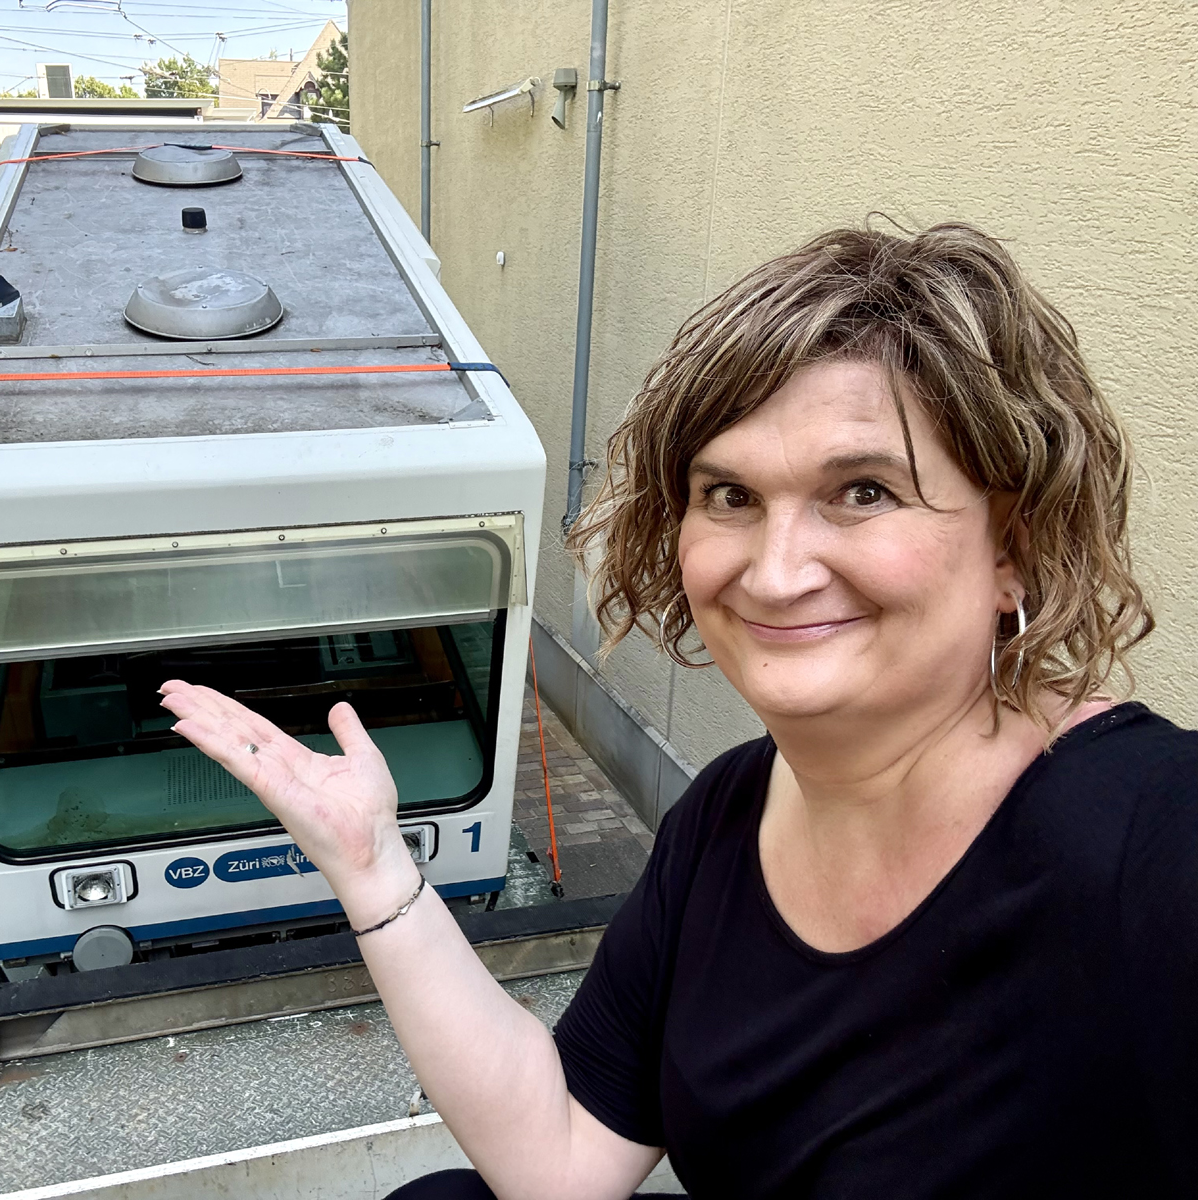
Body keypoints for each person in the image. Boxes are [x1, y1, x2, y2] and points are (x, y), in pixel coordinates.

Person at [158, 223, 1198, 1199]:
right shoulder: (727, 816)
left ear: (1013, 545)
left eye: (864, 492)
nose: (776, 573)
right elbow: (564, 1157)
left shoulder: (1154, 840)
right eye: (730, 496)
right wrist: (376, 867)